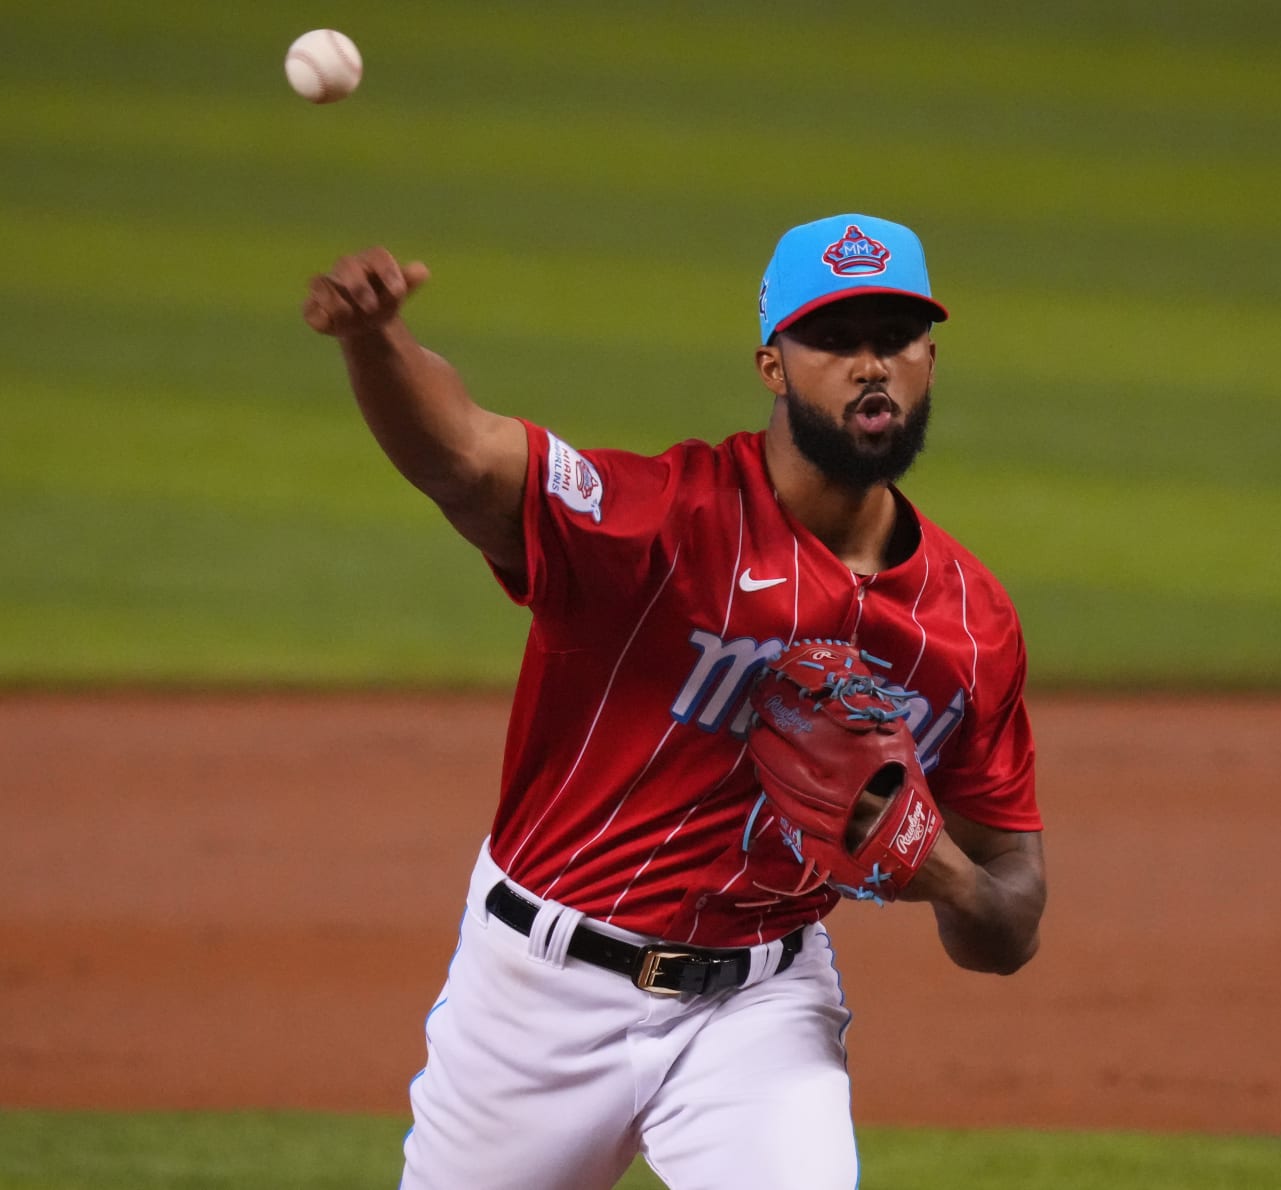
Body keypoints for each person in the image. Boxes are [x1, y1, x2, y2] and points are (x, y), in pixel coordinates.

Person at [303, 213, 1046, 1190]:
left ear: (931, 359)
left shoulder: (969, 622)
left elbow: (1010, 911)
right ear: (772, 365)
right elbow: (468, 457)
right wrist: (375, 342)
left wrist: (938, 865)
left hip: (760, 1006)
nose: (871, 365)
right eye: (833, 338)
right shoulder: (659, 520)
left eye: (895, 336)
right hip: (538, 996)